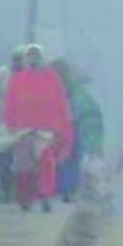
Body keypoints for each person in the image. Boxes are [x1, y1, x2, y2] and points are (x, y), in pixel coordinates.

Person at [2, 45, 74, 212]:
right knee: (23, 166)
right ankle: (25, 198)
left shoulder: (51, 78)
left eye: (36, 56)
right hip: (22, 129)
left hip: (46, 130)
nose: (33, 60)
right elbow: (9, 104)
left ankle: (45, 194)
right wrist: (10, 124)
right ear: (27, 59)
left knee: (46, 162)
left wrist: (63, 127)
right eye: (30, 56)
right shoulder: (17, 79)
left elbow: (61, 104)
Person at [52, 59, 105, 202]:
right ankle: (69, 189)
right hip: (76, 126)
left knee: (74, 158)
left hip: (79, 125)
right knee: (71, 158)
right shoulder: (73, 90)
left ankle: (70, 189)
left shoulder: (75, 93)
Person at [0, 50, 24, 200]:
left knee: (15, 158)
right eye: (18, 60)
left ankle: (12, 190)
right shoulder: (1, 74)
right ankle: (5, 190)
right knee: (3, 157)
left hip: (18, 123)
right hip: (0, 123)